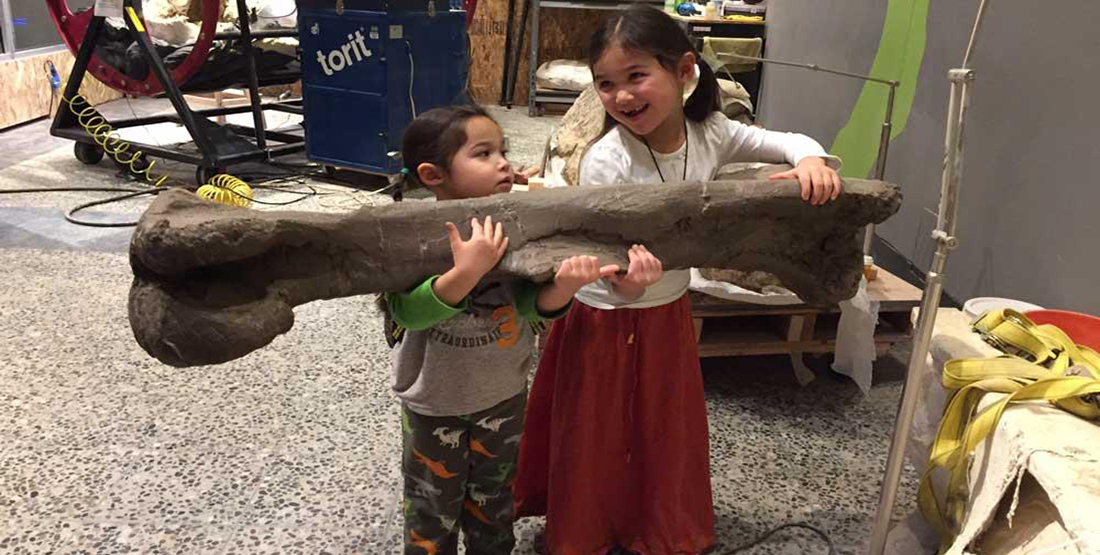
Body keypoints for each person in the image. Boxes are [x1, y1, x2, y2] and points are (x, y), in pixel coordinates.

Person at [512, 6, 843, 555]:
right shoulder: (606, 160)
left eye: (636, 76)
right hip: (604, 317)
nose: (621, 96)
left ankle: (655, 527)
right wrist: (630, 286)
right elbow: (608, 264)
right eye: (606, 84)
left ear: (684, 71)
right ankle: (586, 531)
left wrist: (814, 161)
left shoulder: (709, 132)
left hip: (667, 311)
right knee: (596, 432)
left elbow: (787, 141)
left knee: (660, 428)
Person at [385, 105, 618, 555]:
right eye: (484, 153)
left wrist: (564, 287)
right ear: (433, 175)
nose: (504, 163)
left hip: (504, 396)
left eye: (503, 150)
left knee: (493, 502)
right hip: (436, 405)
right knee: (433, 508)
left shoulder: (518, 225)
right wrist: (465, 273)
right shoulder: (409, 232)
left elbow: (533, 308)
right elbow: (406, 313)